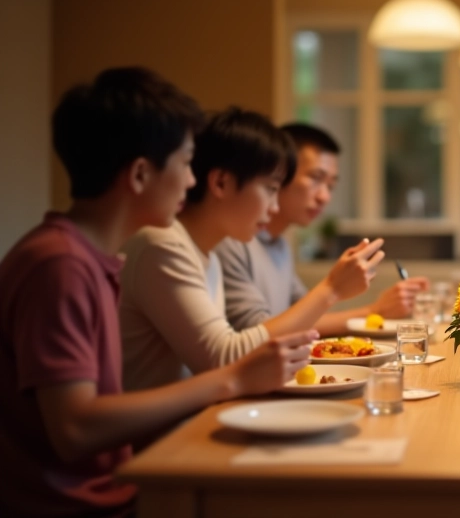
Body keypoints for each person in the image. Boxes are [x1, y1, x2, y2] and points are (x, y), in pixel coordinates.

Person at [0, 67, 317, 518]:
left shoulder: (88, 259)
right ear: (141, 174)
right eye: (187, 163)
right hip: (80, 504)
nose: (192, 181)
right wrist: (232, 379)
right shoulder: (60, 265)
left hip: (120, 486)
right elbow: (74, 430)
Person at [119, 108, 384, 392]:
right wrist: (331, 288)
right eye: (270, 189)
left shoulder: (207, 253)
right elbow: (223, 360)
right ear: (220, 182)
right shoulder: (162, 244)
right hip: (165, 434)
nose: (275, 206)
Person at [216, 123, 428, 333]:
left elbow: (305, 319)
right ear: (280, 173)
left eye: (331, 185)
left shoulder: (280, 244)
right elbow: (255, 333)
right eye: (316, 179)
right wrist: (374, 309)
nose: (324, 196)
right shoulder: (232, 242)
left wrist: (377, 311)